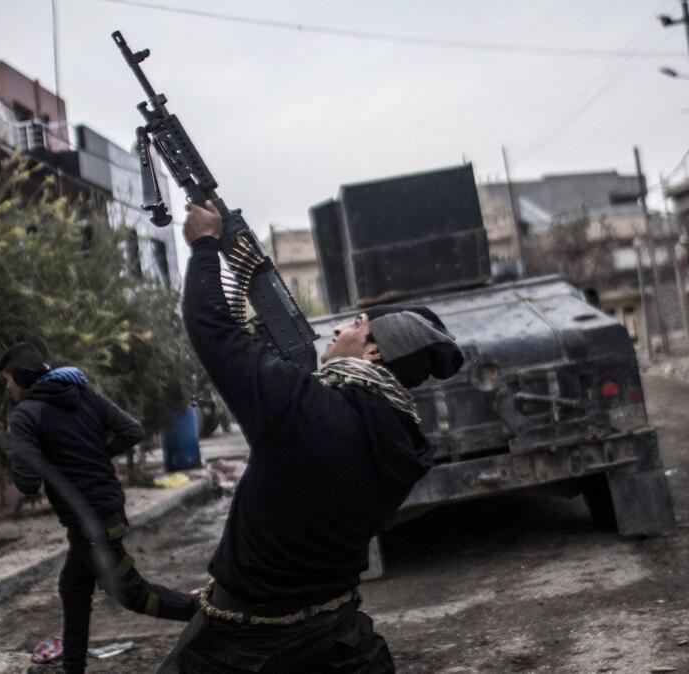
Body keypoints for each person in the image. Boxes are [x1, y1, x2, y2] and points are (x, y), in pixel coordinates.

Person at [159, 202, 464, 673]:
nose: (340, 326)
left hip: (238, 644)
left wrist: (202, 246)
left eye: (356, 324)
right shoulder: (403, 441)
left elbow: (211, 329)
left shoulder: (300, 407)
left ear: (375, 351)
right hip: (336, 640)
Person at [0, 343, 200, 674]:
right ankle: (73, 667)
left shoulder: (26, 415)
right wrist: (95, 454)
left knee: (133, 594)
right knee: (73, 588)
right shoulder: (81, 393)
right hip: (103, 510)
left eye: (8, 381)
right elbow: (130, 430)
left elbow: (27, 483)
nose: (8, 389)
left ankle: (208, 613)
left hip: (89, 520)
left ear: (22, 377)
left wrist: (18, 454)